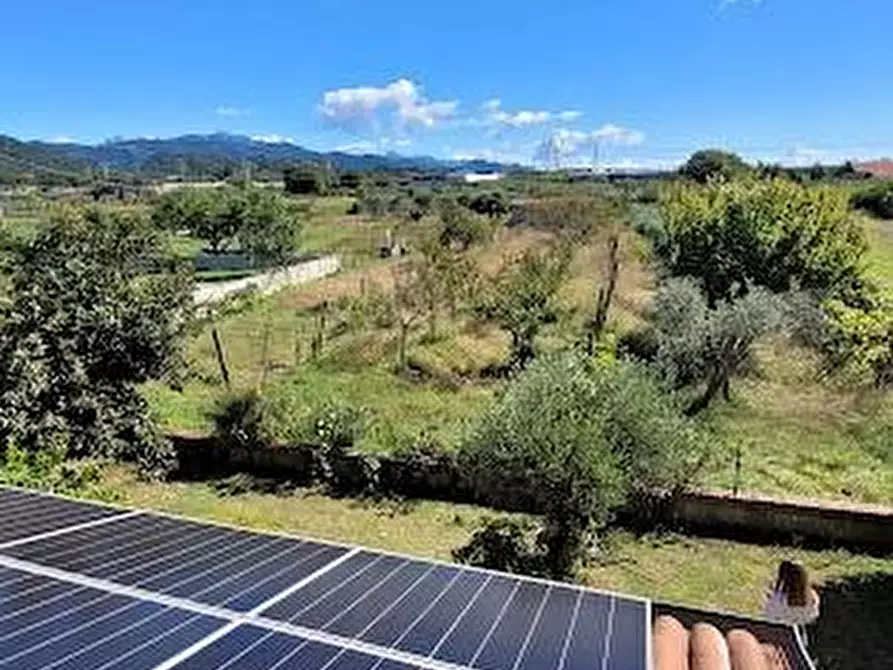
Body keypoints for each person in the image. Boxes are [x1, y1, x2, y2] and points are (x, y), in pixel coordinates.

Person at [764, 560, 820, 647]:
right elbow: (813, 616)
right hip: (800, 638)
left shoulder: (779, 598)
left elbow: (769, 616)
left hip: (779, 637)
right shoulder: (812, 597)